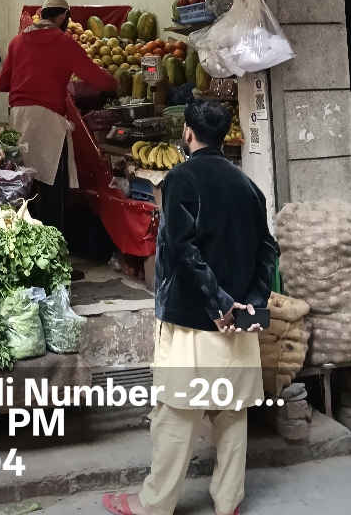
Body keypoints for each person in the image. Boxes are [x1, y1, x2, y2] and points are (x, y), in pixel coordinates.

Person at [103, 100, 278, 515]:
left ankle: (154, 504)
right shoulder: (248, 185)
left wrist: (218, 304)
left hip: (193, 321)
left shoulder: (181, 179)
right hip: (238, 323)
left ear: (187, 132)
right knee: (231, 412)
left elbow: (182, 249)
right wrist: (250, 305)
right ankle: (228, 501)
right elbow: (268, 250)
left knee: (176, 414)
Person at [0, 0, 116, 229]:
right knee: (52, 187)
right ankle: (54, 242)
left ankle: (25, 236)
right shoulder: (64, 42)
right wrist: (115, 84)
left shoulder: (17, 42)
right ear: (62, 16)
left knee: (24, 183)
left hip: (18, 119)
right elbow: (93, 75)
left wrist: (27, 79)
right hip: (48, 119)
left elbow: (2, 84)